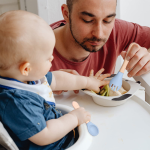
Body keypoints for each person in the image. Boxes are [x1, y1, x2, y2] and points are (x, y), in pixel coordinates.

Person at [0, 10, 110, 150]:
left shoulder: (26, 78)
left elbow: (58, 79)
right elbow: (44, 135)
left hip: (59, 128)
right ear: (26, 68)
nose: (52, 58)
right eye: (47, 57)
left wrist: (88, 82)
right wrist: (74, 118)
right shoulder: (17, 102)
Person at [50, 0, 150, 78]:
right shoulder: (37, 50)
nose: (99, 34)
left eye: (107, 21)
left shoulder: (117, 29)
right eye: (88, 20)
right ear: (66, 14)